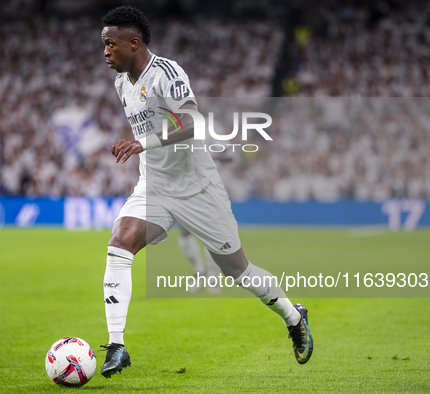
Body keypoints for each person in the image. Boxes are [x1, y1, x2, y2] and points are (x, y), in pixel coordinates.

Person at [99, 5, 313, 378]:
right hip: (155, 186)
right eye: (103, 44)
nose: (104, 51)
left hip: (198, 188)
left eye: (110, 44)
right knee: (121, 241)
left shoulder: (167, 72)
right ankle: (117, 346)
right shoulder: (121, 83)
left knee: (236, 269)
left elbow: (192, 120)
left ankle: (294, 317)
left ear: (133, 43)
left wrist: (142, 144)